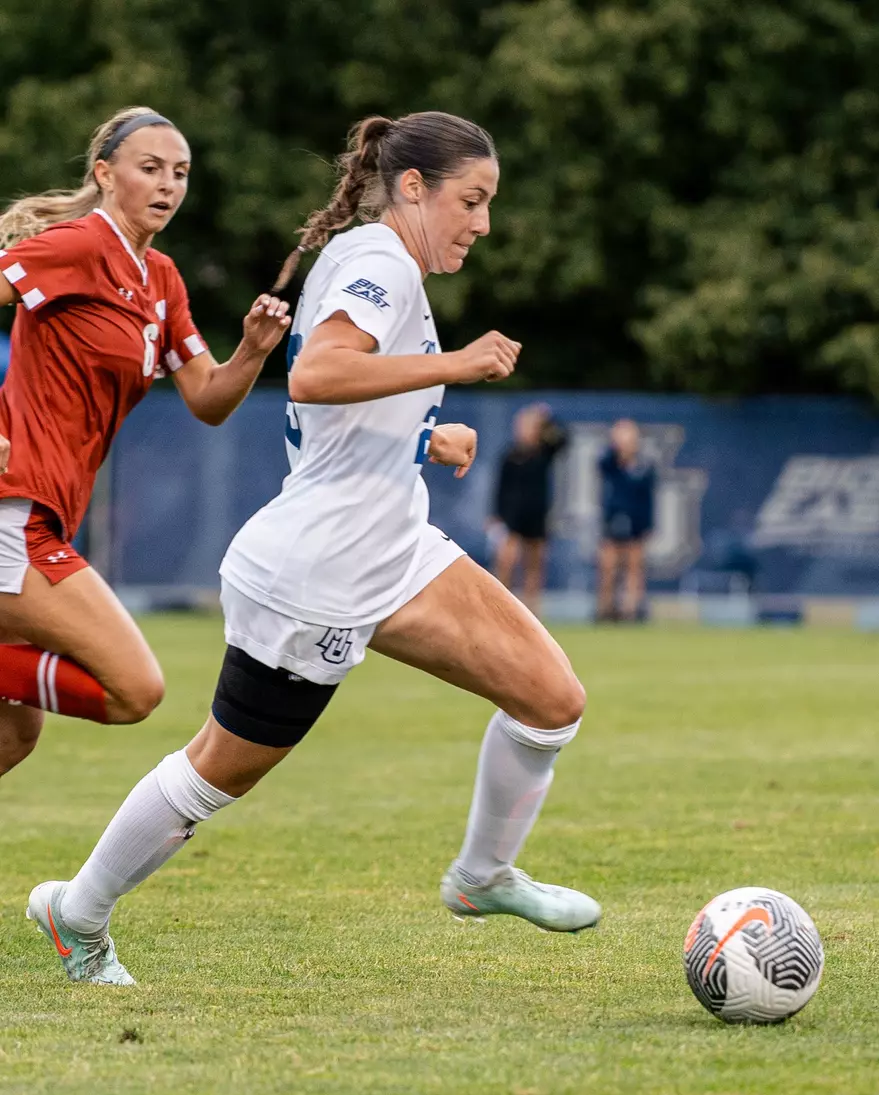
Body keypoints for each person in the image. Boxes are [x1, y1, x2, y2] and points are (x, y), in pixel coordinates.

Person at [27, 110, 600, 986]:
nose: (483, 223)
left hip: (394, 546)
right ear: (414, 188)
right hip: (320, 574)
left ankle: (483, 877)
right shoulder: (381, 262)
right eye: (472, 201)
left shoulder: (381, 260)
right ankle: (78, 912)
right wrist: (457, 364)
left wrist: (423, 437)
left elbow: (342, 417)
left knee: (551, 700)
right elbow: (319, 374)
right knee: (216, 774)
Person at [0, 106, 291, 777]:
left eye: (180, 173)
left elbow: (208, 398)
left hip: (48, 516)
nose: (168, 185)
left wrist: (252, 351)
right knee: (133, 688)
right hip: (15, 511)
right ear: (105, 174)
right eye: (151, 168)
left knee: (13, 736)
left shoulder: (160, 277)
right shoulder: (78, 245)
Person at [490, 402, 568, 616]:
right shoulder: (511, 455)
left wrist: (547, 419)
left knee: (534, 564)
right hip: (513, 515)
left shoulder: (544, 452)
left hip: (537, 514)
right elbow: (500, 487)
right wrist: (496, 514)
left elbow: (563, 439)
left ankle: (532, 609)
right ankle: (500, 606)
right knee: (506, 560)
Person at [595, 419, 656, 621]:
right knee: (608, 567)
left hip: (636, 522)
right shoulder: (611, 462)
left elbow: (647, 498)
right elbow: (602, 465)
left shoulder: (643, 466)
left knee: (634, 567)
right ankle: (605, 609)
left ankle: (631, 609)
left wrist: (647, 524)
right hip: (613, 519)